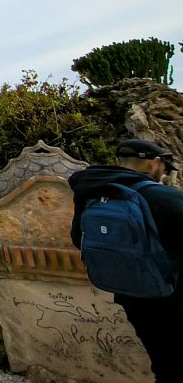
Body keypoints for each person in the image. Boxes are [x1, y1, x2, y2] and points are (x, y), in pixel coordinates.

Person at [69, 139, 182, 381]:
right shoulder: (161, 196)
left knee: (164, 362)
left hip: (131, 295)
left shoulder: (91, 193)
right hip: (169, 295)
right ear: (154, 164)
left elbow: (78, 239)